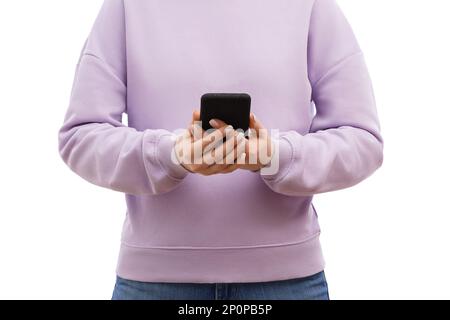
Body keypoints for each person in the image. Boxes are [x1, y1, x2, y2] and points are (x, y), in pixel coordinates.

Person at [58, 0, 383, 300]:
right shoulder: (128, 6)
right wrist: (171, 154)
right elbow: (81, 135)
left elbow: (361, 138)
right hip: (154, 283)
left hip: (287, 283)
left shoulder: (309, 5)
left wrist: (274, 155)